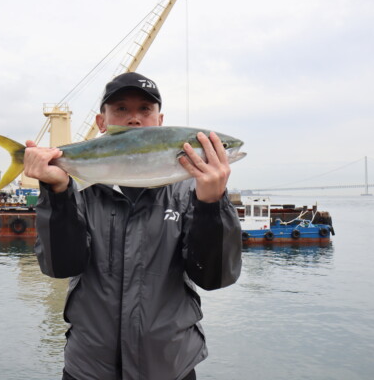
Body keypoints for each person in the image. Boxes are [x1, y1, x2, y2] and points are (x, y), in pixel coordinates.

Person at [24, 72, 242, 380]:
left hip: (170, 369)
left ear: (160, 120)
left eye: (145, 110)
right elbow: (61, 266)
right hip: (88, 370)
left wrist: (211, 204)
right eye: (121, 109)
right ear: (102, 123)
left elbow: (213, 277)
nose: (134, 119)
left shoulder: (189, 191)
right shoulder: (79, 191)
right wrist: (58, 195)